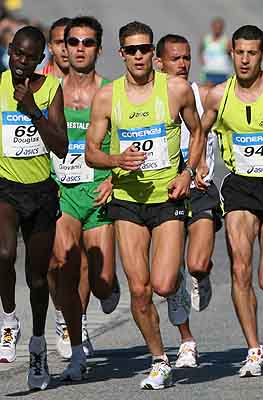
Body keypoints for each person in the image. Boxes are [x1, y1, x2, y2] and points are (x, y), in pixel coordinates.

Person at [86, 21, 203, 390]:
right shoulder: (107, 97)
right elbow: (91, 152)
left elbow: (197, 132)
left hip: (166, 198)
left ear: (153, 53)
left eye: (145, 49)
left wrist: (187, 172)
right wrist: (116, 161)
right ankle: (159, 359)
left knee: (164, 284)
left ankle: (177, 283)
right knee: (140, 290)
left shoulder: (175, 89)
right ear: (121, 54)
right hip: (128, 200)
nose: (139, 55)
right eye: (131, 50)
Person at [200, 24, 263, 377]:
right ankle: (254, 349)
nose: (244, 59)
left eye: (252, 53)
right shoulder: (219, 95)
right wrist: (195, 164)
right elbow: (198, 131)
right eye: (239, 52)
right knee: (239, 266)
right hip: (240, 188)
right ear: (231, 53)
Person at [50, 16, 120, 381]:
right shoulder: (51, 89)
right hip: (63, 193)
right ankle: (76, 348)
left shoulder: (110, 91)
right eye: (73, 41)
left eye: (87, 42)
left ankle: (107, 283)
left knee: (102, 281)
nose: (79, 48)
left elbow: (129, 140)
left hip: (99, 190)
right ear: (64, 45)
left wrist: (116, 179)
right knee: (65, 261)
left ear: (98, 48)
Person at [0, 26, 68, 390]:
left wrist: (32, 111)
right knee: (3, 253)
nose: (22, 63)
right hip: (5, 187)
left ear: (41, 59)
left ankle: (39, 343)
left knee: (37, 277)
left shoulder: (52, 90)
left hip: (41, 191)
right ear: (9, 51)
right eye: (17, 55)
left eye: (30, 57)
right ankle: (9, 319)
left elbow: (61, 147)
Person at [155, 34, 221, 368]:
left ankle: (203, 274)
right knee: (170, 277)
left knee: (195, 263)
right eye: (175, 59)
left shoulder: (205, 94)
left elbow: (239, 121)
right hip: (165, 194)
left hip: (201, 189)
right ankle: (186, 341)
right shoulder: (150, 100)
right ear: (159, 63)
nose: (182, 64)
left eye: (186, 58)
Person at [199, 17, 231, 86]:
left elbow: (231, 55)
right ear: (212, 27)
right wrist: (203, 61)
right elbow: (200, 50)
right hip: (209, 72)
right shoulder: (206, 39)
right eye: (216, 27)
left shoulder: (226, 41)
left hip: (223, 73)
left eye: (220, 28)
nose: (217, 30)